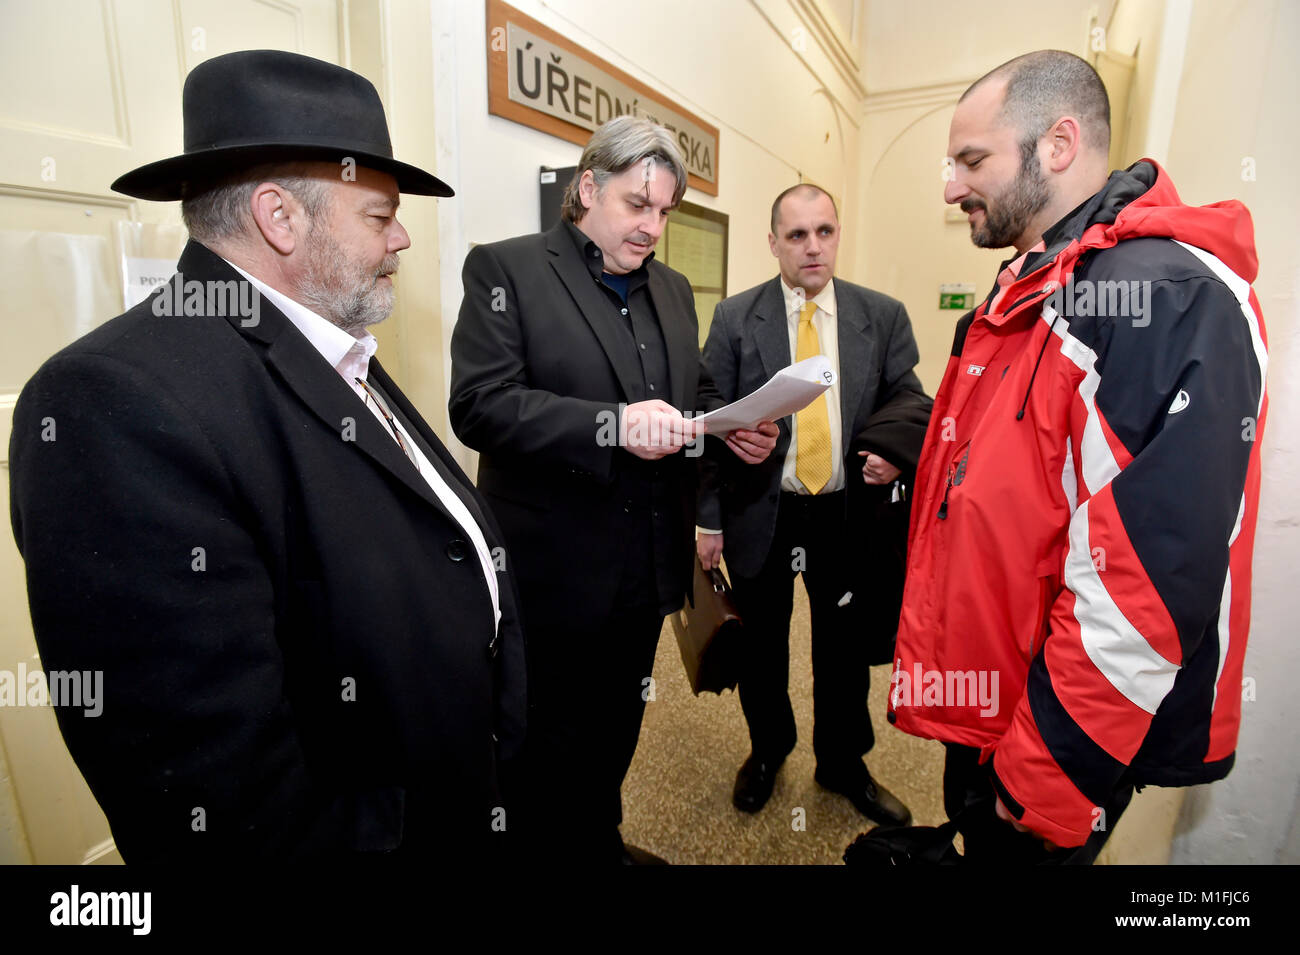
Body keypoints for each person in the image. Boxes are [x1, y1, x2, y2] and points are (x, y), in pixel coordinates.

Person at [8, 50, 525, 863]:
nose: (403, 239)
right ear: (279, 217)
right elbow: (220, 805)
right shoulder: (109, 403)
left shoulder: (323, 339)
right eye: (379, 215)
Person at [891, 50, 1267, 863]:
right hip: (999, 699)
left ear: (1057, 145)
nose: (951, 187)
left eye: (971, 160)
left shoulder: (1164, 298)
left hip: (1054, 730)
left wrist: (1045, 770)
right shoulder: (1034, 283)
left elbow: (1146, 588)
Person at [449, 116, 778, 864]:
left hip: (647, 565)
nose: (653, 227)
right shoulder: (505, 270)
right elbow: (480, 406)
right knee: (543, 736)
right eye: (638, 205)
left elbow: (688, 391)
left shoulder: (669, 287)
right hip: (552, 569)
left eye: (664, 211)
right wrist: (610, 424)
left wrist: (731, 426)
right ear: (588, 189)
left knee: (617, 723)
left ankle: (598, 840)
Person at [698, 184, 930, 824]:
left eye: (824, 231)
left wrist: (891, 452)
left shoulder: (880, 316)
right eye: (796, 235)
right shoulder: (736, 319)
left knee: (844, 649)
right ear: (772, 242)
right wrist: (709, 519)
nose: (812, 247)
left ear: (837, 234)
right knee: (763, 648)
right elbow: (709, 420)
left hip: (843, 515)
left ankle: (843, 762)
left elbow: (906, 400)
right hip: (763, 514)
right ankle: (768, 750)